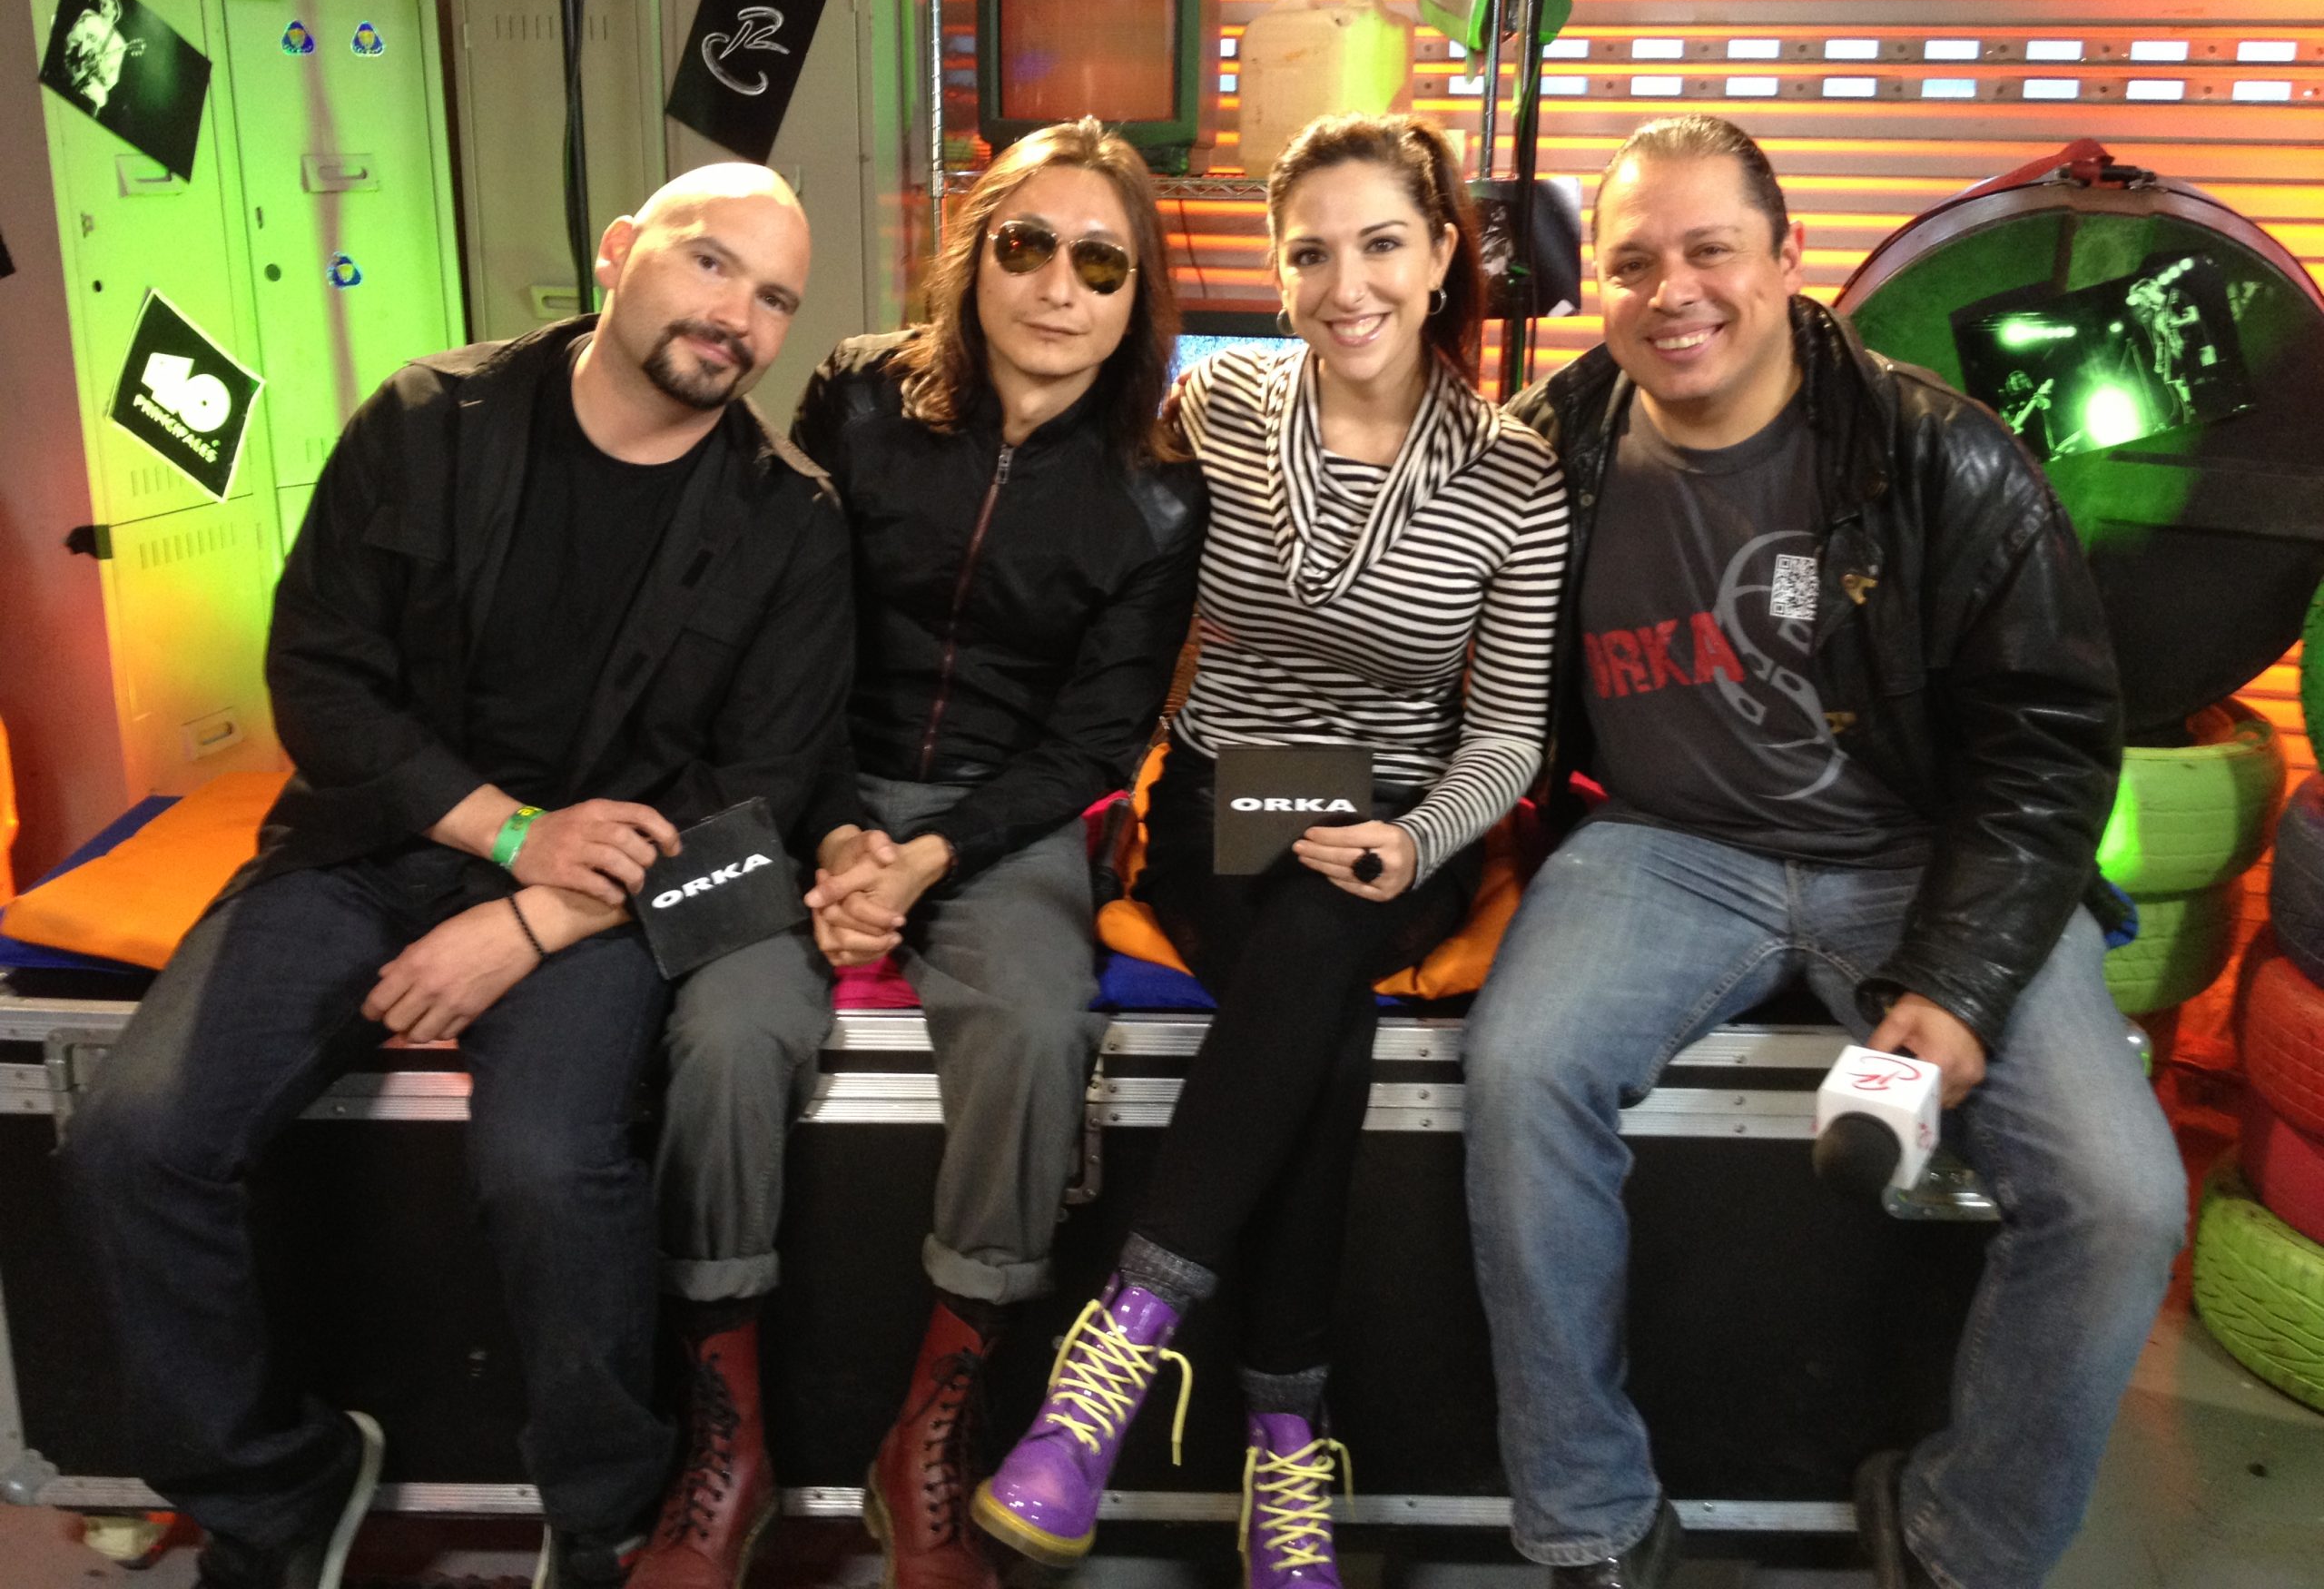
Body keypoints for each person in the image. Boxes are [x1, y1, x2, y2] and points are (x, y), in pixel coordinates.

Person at [58, 164, 849, 1589]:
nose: (737, 314)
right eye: (710, 263)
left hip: (598, 910)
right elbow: (318, 675)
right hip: (369, 851)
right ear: (619, 251)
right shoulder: (429, 418)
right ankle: (270, 1486)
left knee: (549, 1167)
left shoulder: (790, 519)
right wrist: (506, 836)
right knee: (132, 1138)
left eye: (776, 297)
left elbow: (761, 806)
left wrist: (533, 919)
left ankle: (602, 1507)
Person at [1462, 115, 2184, 1589]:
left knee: (2124, 1200)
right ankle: (1590, 1515)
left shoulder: (1943, 454)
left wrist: (1961, 982)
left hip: (1925, 852)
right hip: (1666, 847)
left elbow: (2048, 742)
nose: (1675, 292)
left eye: (1711, 250)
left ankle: (1964, 1535)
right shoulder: (1549, 450)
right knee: (1522, 1073)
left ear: (1789, 259)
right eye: (1634, 263)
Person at [973, 113, 1570, 1588]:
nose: (1344, 286)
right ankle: (1287, 1439)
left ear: (1443, 256)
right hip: (1224, 792)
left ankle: (1118, 1349)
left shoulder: (1518, 476)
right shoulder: (1220, 403)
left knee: (1315, 953)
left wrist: (1416, 837)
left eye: (1382, 245)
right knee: (1316, 1007)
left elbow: (1507, 736)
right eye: (1311, 253)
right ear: (1277, 265)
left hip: (1403, 810)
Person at [633, 117, 1204, 1589]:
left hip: (1002, 817)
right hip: (798, 773)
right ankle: (725, 1436)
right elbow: (783, 627)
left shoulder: (1159, 486)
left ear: (1137, 295)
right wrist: (833, 828)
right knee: (724, 1024)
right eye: (1028, 245)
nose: (1059, 287)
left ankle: (932, 1428)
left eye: (1101, 264)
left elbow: (1094, 742)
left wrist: (927, 855)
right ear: (975, 253)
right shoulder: (859, 394)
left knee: (1035, 1024)